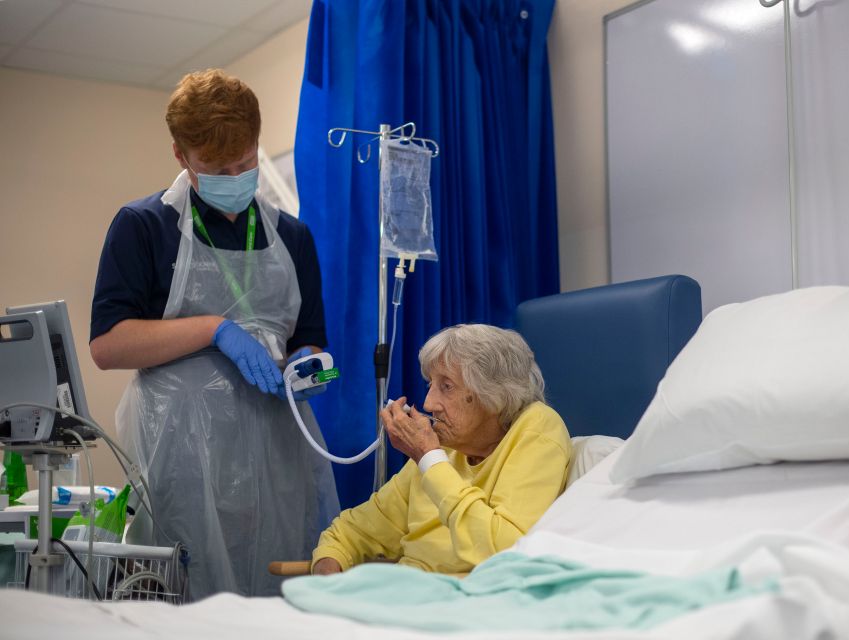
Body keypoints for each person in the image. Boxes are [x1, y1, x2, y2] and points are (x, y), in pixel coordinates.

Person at [89, 69, 339, 599]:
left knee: (279, 586)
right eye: (215, 167)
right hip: (184, 455)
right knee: (189, 591)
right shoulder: (144, 226)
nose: (235, 175)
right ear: (181, 156)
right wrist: (213, 329)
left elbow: (311, 341)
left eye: (245, 163)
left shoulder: (292, 237)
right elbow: (108, 345)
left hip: (279, 455)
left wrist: (310, 368)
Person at [311, 324, 572, 576]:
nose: (428, 402)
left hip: (468, 603)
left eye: (446, 386)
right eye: (430, 385)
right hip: (405, 595)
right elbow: (352, 532)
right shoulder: (442, 449)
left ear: (493, 394)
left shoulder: (536, 428)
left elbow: (503, 550)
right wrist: (328, 575)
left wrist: (429, 458)